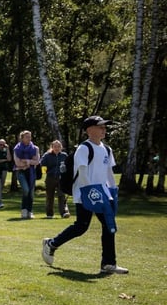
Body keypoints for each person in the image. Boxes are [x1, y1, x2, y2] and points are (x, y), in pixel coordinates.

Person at [43, 116, 126, 273]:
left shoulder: (107, 149)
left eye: (104, 126)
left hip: (103, 194)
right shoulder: (84, 148)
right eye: (100, 126)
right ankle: (51, 244)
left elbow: (109, 172)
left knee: (109, 226)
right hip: (85, 194)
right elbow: (82, 172)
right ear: (89, 130)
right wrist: (90, 192)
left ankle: (108, 264)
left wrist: (114, 191)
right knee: (81, 227)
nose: (104, 129)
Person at [14, 130, 42, 219]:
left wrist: (26, 161)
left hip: (31, 173)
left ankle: (29, 211)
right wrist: (30, 162)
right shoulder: (17, 149)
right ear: (22, 138)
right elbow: (17, 163)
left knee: (31, 193)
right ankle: (24, 210)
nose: (29, 138)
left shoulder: (35, 148)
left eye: (30, 136)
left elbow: (37, 161)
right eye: (27, 137)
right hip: (20, 172)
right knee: (26, 190)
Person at [39, 140, 70, 219]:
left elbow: (68, 166)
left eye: (58, 146)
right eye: (55, 146)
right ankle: (49, 214)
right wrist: (45, 172)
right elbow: (42, 164)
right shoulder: (47, 155)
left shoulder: (64, 155)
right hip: (50, 178)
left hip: (61, 178)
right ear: (52, 147)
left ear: (61, 147)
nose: (57, 148)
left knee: (61, 195)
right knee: (50, 196)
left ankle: (63, 213)